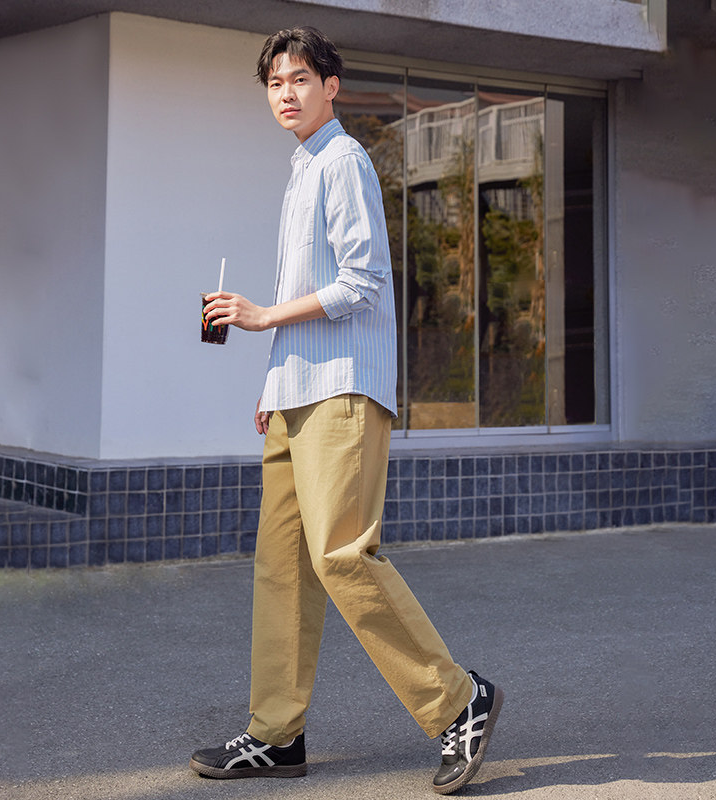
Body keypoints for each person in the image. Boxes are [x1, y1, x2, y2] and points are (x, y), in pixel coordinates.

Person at [191, 26, 503, 795]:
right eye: (275, 83)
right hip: (295, 394)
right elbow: (314, 288)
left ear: (331, 86)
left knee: (340, 556)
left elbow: (362, 282)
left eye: (301, 78)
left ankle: (459, 701)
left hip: (342, 390)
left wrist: (263, 316)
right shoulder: (302, 169)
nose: (287, 93)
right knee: (283, 567)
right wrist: (272, 384)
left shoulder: (344, 160)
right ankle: (276, 734)